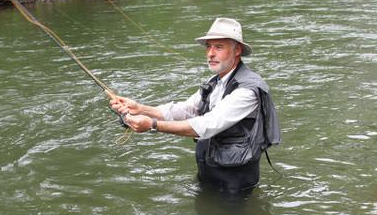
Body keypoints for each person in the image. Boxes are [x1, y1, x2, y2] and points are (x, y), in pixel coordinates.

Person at [110, 17, 281, 196]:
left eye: (218, 47)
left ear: (237, 50)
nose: (210, 54)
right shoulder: (215, 81)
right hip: (208, 171)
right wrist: (141, 108)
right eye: (208, 46)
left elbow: (207, 125)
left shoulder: (248, 90)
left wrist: (152, 125)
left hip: (235, 183)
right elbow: (188, 109)